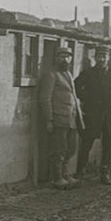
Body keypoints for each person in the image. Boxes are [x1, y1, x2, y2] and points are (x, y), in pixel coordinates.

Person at [74, 47, 111, 184]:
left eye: (104, 57)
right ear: (95, 58)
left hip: (108, 114)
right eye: (99, 57)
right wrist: (86, 98)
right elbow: (75, 86)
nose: (101, 59)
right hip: (92, 113)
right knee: (87, 143)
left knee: (108, 144)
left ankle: (105, 173)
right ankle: (80, 172)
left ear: (108, 58)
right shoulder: (88, 73)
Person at [38, 46, 84, 188]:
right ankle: (57, 178)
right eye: (62, 57)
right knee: (58, 149)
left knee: (71, 148)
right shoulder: (51, 75)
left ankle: (65, 174)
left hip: (71, 118)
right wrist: (49, 119)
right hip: (58, 118)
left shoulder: (69, 74)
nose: (65, 59)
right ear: (56, 58)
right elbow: (45, 98)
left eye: (68, 57)